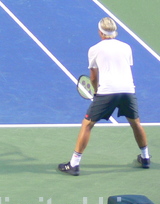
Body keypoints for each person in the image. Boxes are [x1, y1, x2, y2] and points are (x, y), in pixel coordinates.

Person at [58, 18, 150, 175]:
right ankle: (145, 157)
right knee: (135, 123)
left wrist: (95, 92)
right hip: (128, 89)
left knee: (87, 125)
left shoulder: (94, 49)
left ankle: (74, 164)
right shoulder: (126, 47)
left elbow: (93, 77)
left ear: (100, 32)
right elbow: (125, 68)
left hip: (107, 91)